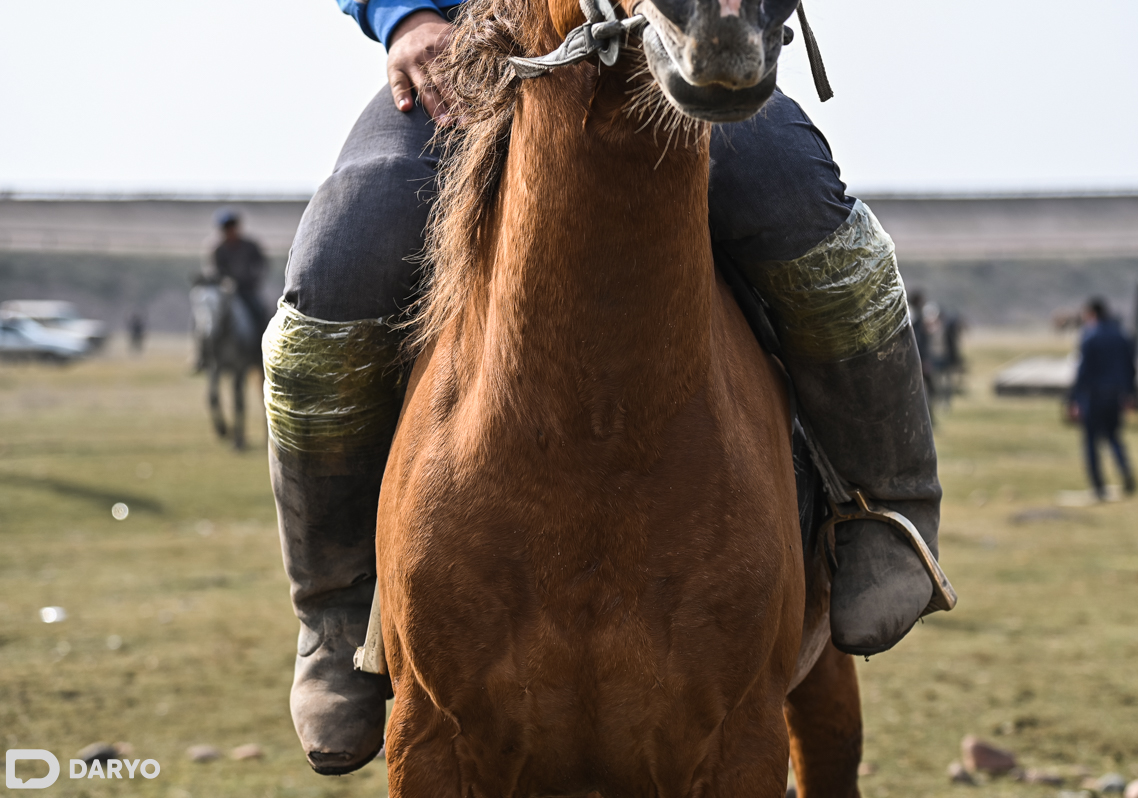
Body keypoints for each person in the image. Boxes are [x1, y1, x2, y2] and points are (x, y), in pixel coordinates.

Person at [264, 0, 946, 774]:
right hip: (469, 48)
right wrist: (405, 16)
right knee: (335, 268)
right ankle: (333, 607)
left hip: (682, 36)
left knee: (815, 223)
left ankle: (887, 509)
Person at [1069, 297, 1136, 501]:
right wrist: (1130, 393)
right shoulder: (1121, 335)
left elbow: (1082, 370)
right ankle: (1127, 477)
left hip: (1093, 396)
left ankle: (1098, 486)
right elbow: (1131, 367)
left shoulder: (1090, 335)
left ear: (1091, 314)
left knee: (1091, 442)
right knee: (1114, 437)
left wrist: (1074, 399)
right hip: (1115, 395)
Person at [210, 210, 270, 339]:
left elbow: (262, 265)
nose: (230, 231)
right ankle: (203, 352)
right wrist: (224, 282)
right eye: (226, 228)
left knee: (260, 312)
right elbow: (215, 271)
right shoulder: (218, 250)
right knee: (206, 314)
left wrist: (255, 279)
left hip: (247, 290)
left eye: (232, 227)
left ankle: (261, 347)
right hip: (225, 293)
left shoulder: (250, 246)